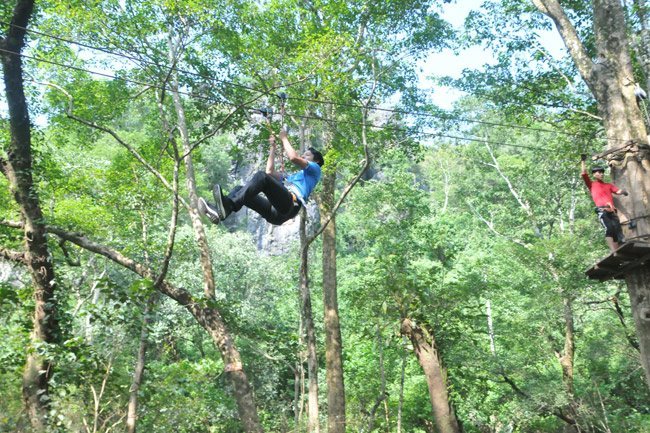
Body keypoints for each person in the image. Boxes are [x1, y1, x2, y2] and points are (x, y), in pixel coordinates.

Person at [198, 129, 324, 226]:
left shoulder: (315, 169)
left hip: (290, 205)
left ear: (316, 160)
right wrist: (272, 148)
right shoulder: (292, 177)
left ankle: (229, 206)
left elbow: (293, 158)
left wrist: (284, 138)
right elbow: (269, 172)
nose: (303, 157)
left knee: (261, 177)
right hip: (275, 213)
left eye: (307, 155)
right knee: (238, 189)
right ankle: (221, 212)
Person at [580, 154, 628, 252]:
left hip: (612, 210)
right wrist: (583, 161)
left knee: (617, 230)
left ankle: (620, 248)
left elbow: (617, 191)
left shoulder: (608, 185)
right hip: (602, 210)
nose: (601, 174)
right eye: (599, 172)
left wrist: (623, 192)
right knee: (609, 229)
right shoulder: (592, 184)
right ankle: (613, 251)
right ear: (594, 174)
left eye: (602, 172)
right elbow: (584, 174)